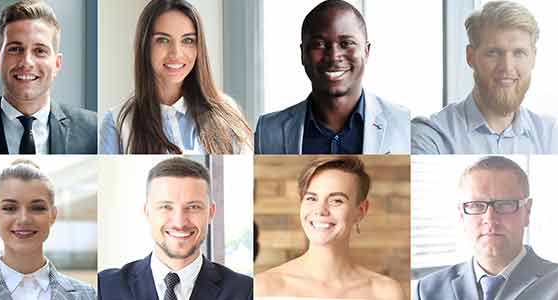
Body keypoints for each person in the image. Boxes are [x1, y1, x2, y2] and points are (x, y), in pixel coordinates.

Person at [0, 0, 98, 155]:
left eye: (40, 51)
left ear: (57, 64)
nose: (27, 62)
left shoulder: (94, 131)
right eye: (15, 49)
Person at [253, 0, 410, 154]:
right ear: (302, 54)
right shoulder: (267, 131)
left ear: (366, 51)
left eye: (346, 43)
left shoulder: (404, 125)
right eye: (319, 45)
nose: (334, 56)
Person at [412, 1, 558, 154]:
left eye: (519, 53)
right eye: (493, 52)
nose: (507, 66)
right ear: (470, 57)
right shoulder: (432, 136)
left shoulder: (553, 138)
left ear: (533, 58)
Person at [100, 0, 252, 154]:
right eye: (163, 40)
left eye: (188, 40)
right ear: (145, 46)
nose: (176, 53)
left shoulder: (226, 112)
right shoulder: (117, 123)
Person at [412, 156, 558, 300]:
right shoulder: (427, 290)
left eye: (505, 204)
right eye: (476, 205)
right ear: (461, 215)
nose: (490, 219)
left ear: (527, 211)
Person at [97, 157, 252, 300]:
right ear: (147, 212)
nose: (179, 222)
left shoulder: (245, 291)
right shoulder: (104, 287)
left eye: (193, 207)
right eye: (166, 206)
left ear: (211, 213)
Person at [0, 159, 97, 300]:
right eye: (10, 208)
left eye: (37, 208)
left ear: (53, 215)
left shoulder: (87, 295)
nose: (24, 219)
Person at [253, 157, 404, 300]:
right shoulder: (261, 288)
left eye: (336, 200)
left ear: (361, 211)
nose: (320, 210)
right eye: (311, 198)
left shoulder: (386, 293)